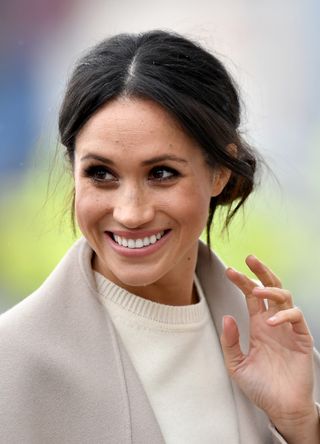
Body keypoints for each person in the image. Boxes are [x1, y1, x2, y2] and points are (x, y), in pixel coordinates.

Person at [0, 30, 319, 444]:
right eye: (101, 173)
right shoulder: (15, 361)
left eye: (162, 173)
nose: (131, 212)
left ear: (219, 172)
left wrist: (300, 424)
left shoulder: (275, 347)